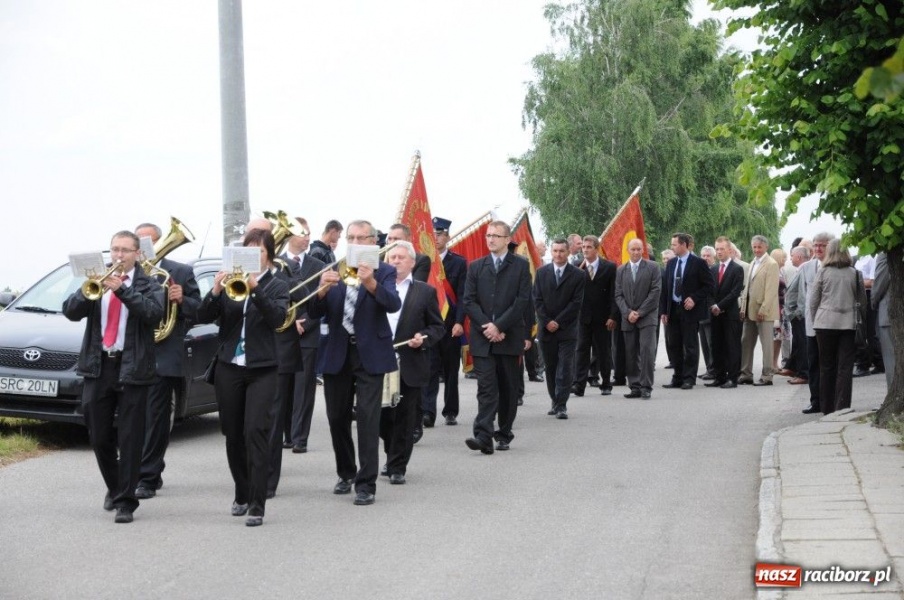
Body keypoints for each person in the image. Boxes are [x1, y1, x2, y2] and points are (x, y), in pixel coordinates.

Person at [63, 231, 165, 524]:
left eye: (125, 250)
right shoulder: (97, 280)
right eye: (114, 250)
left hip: (133, 367)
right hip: (99, 365)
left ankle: (125, 502)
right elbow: (70, 311)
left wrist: (122, 290)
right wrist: (86, 290)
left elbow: (153, 314)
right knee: (98, 435)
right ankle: (117, 484)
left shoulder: (150, 283)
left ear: (137, 254)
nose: (118, 256)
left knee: (131, 437)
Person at [196, 229, 289, 526]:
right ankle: (242, 491)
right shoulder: (230, 285)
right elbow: (203, 316)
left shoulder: (277, 285)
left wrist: (255, 288)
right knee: (232, 434)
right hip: (229, 366)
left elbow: (277, 319)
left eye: (259, 253)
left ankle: (257, 504)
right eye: (247, 252)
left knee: (255, 433)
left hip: (264, 368)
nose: (253, 258)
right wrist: (215, 291)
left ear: (269, 257)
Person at [307, 220, 401, 505]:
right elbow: (313, 310)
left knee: (369, 418)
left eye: (362, 238)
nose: (357, 243)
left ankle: (366, 483)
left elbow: (393, 304)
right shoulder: (333, 268)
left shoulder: (385, 271)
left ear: (373, 241)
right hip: (338, 351)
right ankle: (346, 472)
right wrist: (321, 291)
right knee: (336, 417)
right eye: (352, 238)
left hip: (370, 352)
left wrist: (370, 282)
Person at [133, 223, 201, 500]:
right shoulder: (127, 273)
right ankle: (142, 469)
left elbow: (200, 310)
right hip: (133, 353)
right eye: (138, 242)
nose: (144, 248)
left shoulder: (180, 272)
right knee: (134, 419)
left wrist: (182, 299)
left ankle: (147, 477)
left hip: (163, 354)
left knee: (156, 420)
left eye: (148, 242)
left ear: (161, 242)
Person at [462, 220, 531, 454]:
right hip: (483, 339)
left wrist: (500, 326)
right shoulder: (476, 266)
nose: (490, 239)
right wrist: (487, 326)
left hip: (509, 337)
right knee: (486, 388)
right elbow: (469, 301)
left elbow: (522, 301)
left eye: (495, 236)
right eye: (488, 235)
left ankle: (503, 432)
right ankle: (483, 435)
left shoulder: (520, 266)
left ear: (507, 239)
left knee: (508, 389)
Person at [380, 241, 444, 483]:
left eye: (400, 257)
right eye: (391, 257)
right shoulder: (375, 288)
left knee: (405, 418)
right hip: (379, 362)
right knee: (381, 417)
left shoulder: (424, 292)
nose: (395, 261)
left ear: (412, 262)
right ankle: (390, 454)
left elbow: (437, 327)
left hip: (410, 362)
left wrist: (423, 338)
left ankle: (397, 466)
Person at [807, 239, 866, 414]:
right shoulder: (855, 273)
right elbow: (862, 302)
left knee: (826, 366)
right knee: (845, 367)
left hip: (824, 324)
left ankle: (827, 408)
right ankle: (842, 406)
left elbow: (813, 301)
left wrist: (816, 318)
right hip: (848, 324)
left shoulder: (823, 272)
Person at [420, 216, 467, 432]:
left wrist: (459, 322)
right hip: (429, 325)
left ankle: (450, 411)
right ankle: (428, 412)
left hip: (450, 326)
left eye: (439, 234)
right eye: (432, 234)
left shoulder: (458, 263)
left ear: (447, 236)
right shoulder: (423, 261)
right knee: (429, 369)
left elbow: (464, 296)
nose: (435, 238)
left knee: (450, 371)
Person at [284, 218, 325, 454]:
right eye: (302, 233)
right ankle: (287, 435)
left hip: (307, 335)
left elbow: (321, 302)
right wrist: (289, 324)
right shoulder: (277, 263)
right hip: (283, 333)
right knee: (284, 388)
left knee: (303, 389)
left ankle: (300, 438)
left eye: (309, 233)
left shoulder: (318, 265)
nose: (308, 237)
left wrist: (305, 324)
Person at [533, 238, 585, 417]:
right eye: (555, 251)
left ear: (568, 252)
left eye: (561, 251)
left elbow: (576, 303)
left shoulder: (578, 275)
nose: (558, 254)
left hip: (567, 330)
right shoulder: (541, 273)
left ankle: (562, 404)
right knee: (551, 367)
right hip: (546, 330)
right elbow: (537, 300)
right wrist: (547, 321)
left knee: (565, 367)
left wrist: (559, 322)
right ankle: (554, 400)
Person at [659, 233, 714, 390]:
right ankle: (677, 376)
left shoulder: (698, 263)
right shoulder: (671, 264)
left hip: (689, 310)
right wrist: (664, 310)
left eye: (674, 244)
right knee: (674, 344)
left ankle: (689, 378)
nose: (672, 247)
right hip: (673, 309)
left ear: (684, 245)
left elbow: (709, 285)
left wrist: (694, 298)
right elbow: (666, 289)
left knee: (690, 345)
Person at [614, 238, 661, 399]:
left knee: (647, 351)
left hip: (647, 317)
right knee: (631, 353)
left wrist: (639, 312)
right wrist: (628, 313)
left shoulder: (653, 267)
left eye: (638, 249)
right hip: (628, 318)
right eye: (632, 249)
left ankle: (646, 386)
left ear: (643, 250)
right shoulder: (621, 270)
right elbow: (618, 294)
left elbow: (655, 292)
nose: (635, 252)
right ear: (628, 250)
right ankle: (634, 386)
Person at [573, 235, 617, 396]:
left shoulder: (609, 267)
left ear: (596, 249)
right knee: (581, 350)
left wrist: (613, 316)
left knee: (603, 351)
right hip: (583, 317)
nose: (585, 250)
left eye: (589, 247)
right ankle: (579, 384)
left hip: (603, 317)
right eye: (583, 247)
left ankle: (606, 383)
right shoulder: (578, 266)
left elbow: (614, 294)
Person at [798, 232, 834, 414]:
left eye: (823, 245)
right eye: (816, 245)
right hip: (812, 324)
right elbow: (802, 295)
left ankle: (831, 400)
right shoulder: (806, 268)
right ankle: (816, 401)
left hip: (831, 324)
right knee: (813, 363)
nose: (818, 249)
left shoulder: (837, 267)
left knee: (829, 363)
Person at [738, 235, 780, 386]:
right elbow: (747, 288)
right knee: (746, 342)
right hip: (749, 310)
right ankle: (746, 374)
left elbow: (771, 290)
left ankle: (767, 375)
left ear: (766, 247)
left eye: (759, 247)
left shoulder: (771, 264)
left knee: (767, 344)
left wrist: (764, 309)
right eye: (754, 247)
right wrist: (743, 307)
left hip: (764, 312)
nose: (756, 249)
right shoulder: (752, 263)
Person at [705, 236, 745, 388]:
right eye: (717, 249)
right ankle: (719, 376)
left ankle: (732, 378)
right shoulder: (713, 269)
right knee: (717, 346)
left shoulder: (737, 269)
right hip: (715, 315)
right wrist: (712, 306)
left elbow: (735, 292)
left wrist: (719, 306)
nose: (719, 252)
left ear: (729, 250)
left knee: (732, 346)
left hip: (729, 314)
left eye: (722, 249)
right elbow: (708, 291)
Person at [783, 245, 811, 384]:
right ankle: (793, 367)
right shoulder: (801, 269)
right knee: (798, 343)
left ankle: (804, 374)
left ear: (799, 257)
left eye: (792, 255)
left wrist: (798, 313)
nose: (790, 258)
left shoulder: (804, 269)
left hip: (799, 314)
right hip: (797, 314)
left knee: (802, 343)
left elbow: (803, 293)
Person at [871, 252, 894, 390]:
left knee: (891, 359)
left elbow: (880, 283)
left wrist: (873, 301)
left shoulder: (886, 253)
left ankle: (894, 395)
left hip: (890, 313)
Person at [698, 245, 717, 380]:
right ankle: (709, 368)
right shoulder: (699, 271)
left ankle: (714, 369)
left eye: (708, 256)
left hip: (711, 312)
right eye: (703, 256)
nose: (705, 258)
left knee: (712, 343)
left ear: (713, 257)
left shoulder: (715, 271)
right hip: (700, 313)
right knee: (704, 344)